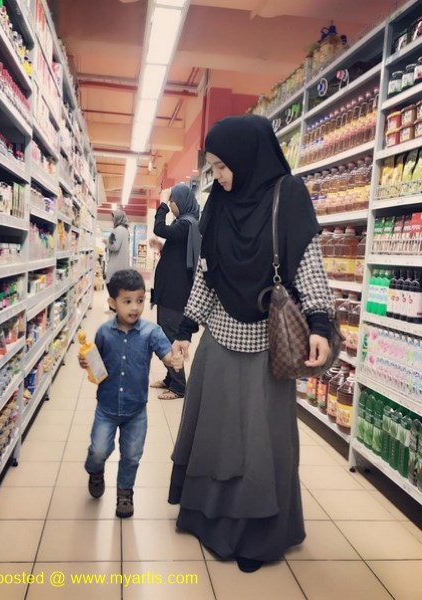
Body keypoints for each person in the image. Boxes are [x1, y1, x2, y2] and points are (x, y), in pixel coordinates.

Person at [168, 114, 334, 572]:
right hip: (220, 341)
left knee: (262, 444)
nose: (219, 176)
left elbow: (308, 265)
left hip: (268, 346)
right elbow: (208, 274)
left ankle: (256, 536)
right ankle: (208, 519)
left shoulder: (289, 195)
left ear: (247, 157)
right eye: (213, 167)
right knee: (216, 436)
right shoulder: (220, 202)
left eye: (223, 166)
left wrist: (319, 324)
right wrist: (185, 331)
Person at [79, 269, 183, 518]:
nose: (135, 307)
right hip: (106, 407)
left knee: (132, 455)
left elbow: (166, 354)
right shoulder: (104, 332)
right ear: (112, 303)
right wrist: (86, 361)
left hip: (136, 409)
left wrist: (174, 360)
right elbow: (96, 362)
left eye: (139, 300)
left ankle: (125, 493)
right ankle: (95, 469)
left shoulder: (151, 332)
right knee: (99, 450)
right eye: (127, 301)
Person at [150, 184, 201, 400]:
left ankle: (179, 386)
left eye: (172, 201)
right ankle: (170, 378)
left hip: (175, 294)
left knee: (170, 336)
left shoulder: (187, 225)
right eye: (169, 202)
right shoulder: (183, 224)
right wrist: (161, 248)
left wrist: (161, 203)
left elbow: (159, 228)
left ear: (181, 201)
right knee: (164, 334)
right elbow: (177, 256)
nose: (170, 205)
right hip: (169, 291)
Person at [105, 209, 130, 283]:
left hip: (115, 266)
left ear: (118, 218)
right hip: (122, 266)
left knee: (113, 285)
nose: (111, 219)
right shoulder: (125, 230)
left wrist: (107, 243)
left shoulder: (118, 230)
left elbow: (115, 246)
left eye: (113, 217)